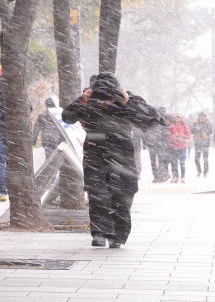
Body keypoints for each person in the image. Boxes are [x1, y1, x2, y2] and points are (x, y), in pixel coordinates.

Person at [62, 72, 161, 248]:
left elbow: (150, 122)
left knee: (122, 194)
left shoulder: (127, 99)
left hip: (121, 154)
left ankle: (117, 236)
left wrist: (127, 103)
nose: (105, 96)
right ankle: (99, 233)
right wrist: (83, 100)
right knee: (97, 194)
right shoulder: (89, 100)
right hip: (95, 153)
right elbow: (67, 117)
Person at [0, 64, 9, 202]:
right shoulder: (13, 87)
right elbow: (29, 106)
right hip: (13, 133)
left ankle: (3, 191)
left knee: (0, 162)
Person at [146, 107, 171, 183]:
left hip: (155, 144)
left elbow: (147, 132)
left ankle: (157, 176)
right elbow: (166, 133)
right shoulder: (163, 122)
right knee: (160, 161)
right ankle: (159, 176)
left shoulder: (152, 120)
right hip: (159, 144)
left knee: (155, 161)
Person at [168, 114, 191, 183]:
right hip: (174, 147)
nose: (177, 119)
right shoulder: (171, 127)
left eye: (178, 118)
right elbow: (169, 137)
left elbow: (188, 136)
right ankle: (175, 176)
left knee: (182, 162)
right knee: (174, 163)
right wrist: (174, 136)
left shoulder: (185, 126)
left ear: (181, 118)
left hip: (182, 147)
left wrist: (182, 135)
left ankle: (183, 176)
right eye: (176, 118)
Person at [191, 112, 212, 177]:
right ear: (199, 117)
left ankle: (205, 172)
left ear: (205, 117)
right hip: (197, 144)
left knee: (205, 159)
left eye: (203, 117)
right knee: (196, 159)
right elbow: (191, 131)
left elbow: (211, 131)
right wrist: (196, 129)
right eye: (201, 117)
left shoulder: (208, 123)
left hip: (205, 143)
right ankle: (199, 171)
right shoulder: (195, 123)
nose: (202, 118)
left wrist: (203, 130)